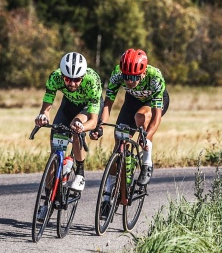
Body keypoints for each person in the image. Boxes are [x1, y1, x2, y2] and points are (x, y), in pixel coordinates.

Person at [92, 48, 168, 188]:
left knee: (140, 116)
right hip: (132, 101)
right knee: (119, 142)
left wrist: (147, 135)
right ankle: (109, 190)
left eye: (133, 77)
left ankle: (147, 163)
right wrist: (100, 126)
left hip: (151, 102)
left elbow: (156, 117)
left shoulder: (155, 77)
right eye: (126, 76)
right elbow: (107, 105)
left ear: (143, 73)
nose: (128, 81)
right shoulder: (117, 74)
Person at [34, 52, 103, 193]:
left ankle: (80, 172)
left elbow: (93, 121)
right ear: (62, 75)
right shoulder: (55, 77)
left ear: (83, 77)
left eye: (77, 80)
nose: (72, 83)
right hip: (68, 105)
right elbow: (46, 108)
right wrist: (43, 117)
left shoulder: (92, 80)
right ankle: (48, 198)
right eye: (68, 79)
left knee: (76, 125)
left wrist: (82, 127)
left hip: (87, 108)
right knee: (55, 147)